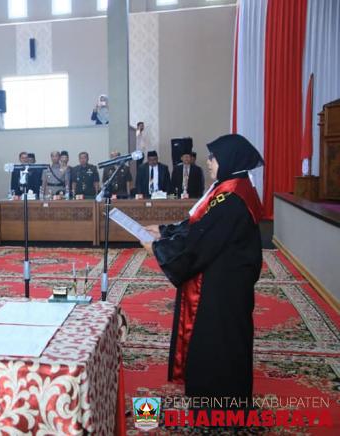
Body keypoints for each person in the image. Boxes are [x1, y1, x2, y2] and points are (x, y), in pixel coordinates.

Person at [142, 133, 264, 410]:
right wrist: (164, 232)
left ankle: (218, 406)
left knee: (218, 342)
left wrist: (159, 250)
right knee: (215, 341)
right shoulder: (229, 187)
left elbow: (202, 240)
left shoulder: (232, 197)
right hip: (221, 278)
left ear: (229, 160)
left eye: (213, 157)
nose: (208, 162)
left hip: (223, 286)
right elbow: (196, 223)